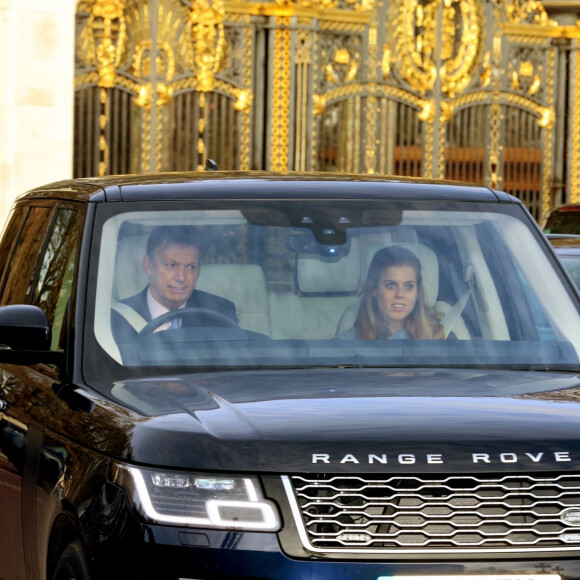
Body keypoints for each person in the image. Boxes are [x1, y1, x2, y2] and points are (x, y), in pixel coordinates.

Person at [112, 226, 238, 343]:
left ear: (199, 269)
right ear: (148, 265)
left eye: (190, 267)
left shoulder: (219, 313)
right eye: (171, 265)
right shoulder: (117, 319)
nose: (181, 277)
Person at [342, 245, 444, 340]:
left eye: (409, 286)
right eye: (390, 285)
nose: (400, 294)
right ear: (374, 290)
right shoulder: (348, 344)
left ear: (417, 292)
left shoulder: (438, 338)